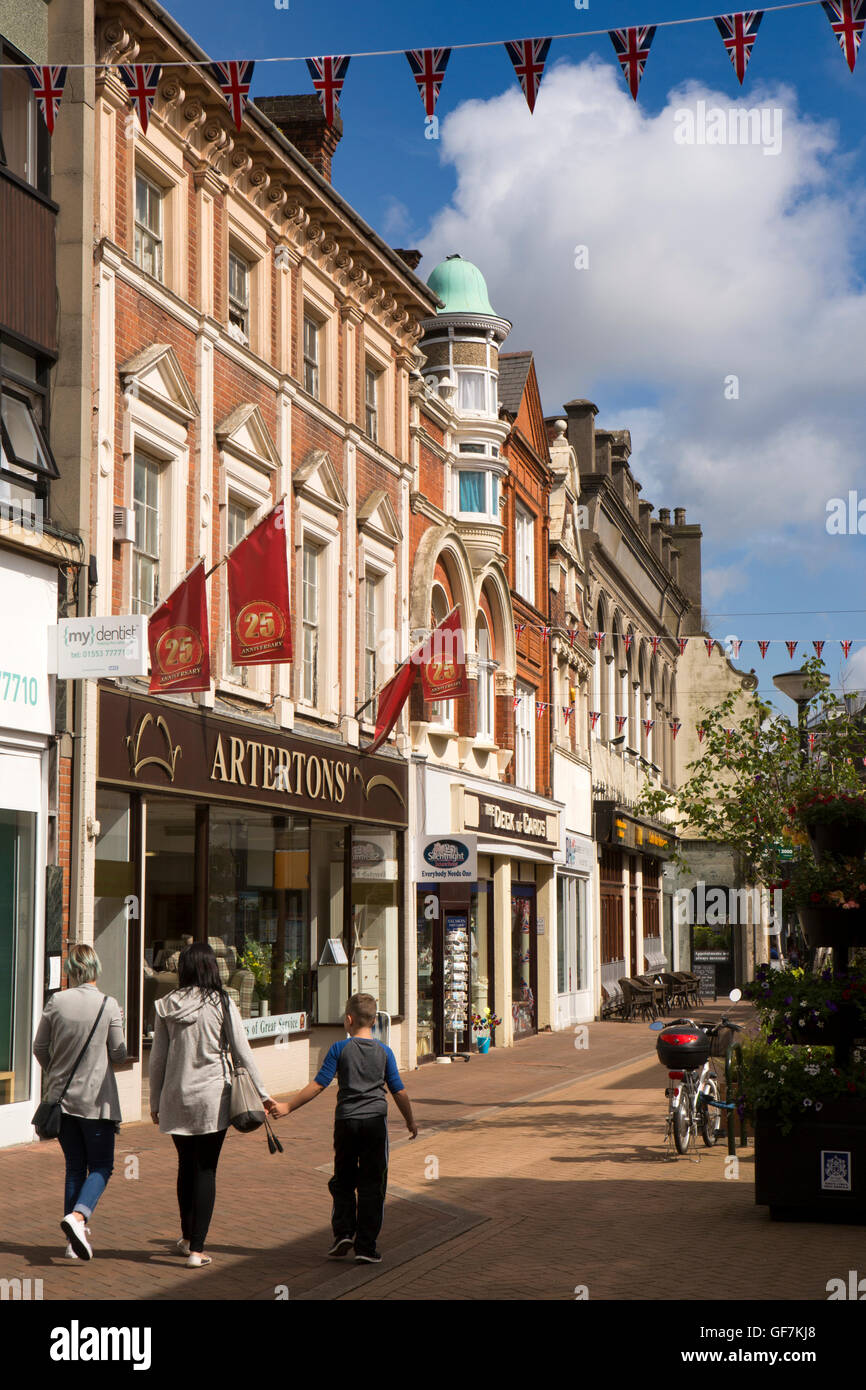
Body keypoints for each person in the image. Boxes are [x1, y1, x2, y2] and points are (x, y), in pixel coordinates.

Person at [149, 941, 280, 1268]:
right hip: (212, 1097)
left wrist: (154, 1101)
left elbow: (157, 1060)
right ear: (211, 968)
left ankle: (187, 1238)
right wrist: (263, 1094)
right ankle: (197, 1250)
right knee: (206, 1169)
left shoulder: (166, 1005)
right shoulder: (223, 1003)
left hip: (176, 1097)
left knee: (185, 1167)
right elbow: (242, 1051)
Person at [271, 992, 417, 1265]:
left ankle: (343, 1233)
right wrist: (410, 1120)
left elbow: (318, 1085)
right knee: (373, 1184)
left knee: (343, 1180)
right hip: (375, 1124)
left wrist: (288, 1107)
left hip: (346, 1123)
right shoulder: (385, 1053)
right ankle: (366, 1246)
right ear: (374, 1021)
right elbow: (399, 1091)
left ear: (348, 1020)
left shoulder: (339, 1049)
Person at [32, 942, 127, 1261]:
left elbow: (39, 1047)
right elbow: (118, 1053)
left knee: (75, 1166)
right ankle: (79, 1217)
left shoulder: (56, 1001)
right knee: (101, 1165)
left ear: (71, 971)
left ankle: (73, 1243)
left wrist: (55, 1071)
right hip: (96, 1101)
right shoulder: (109, 1005)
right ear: (96, 968)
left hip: (61, 1100)